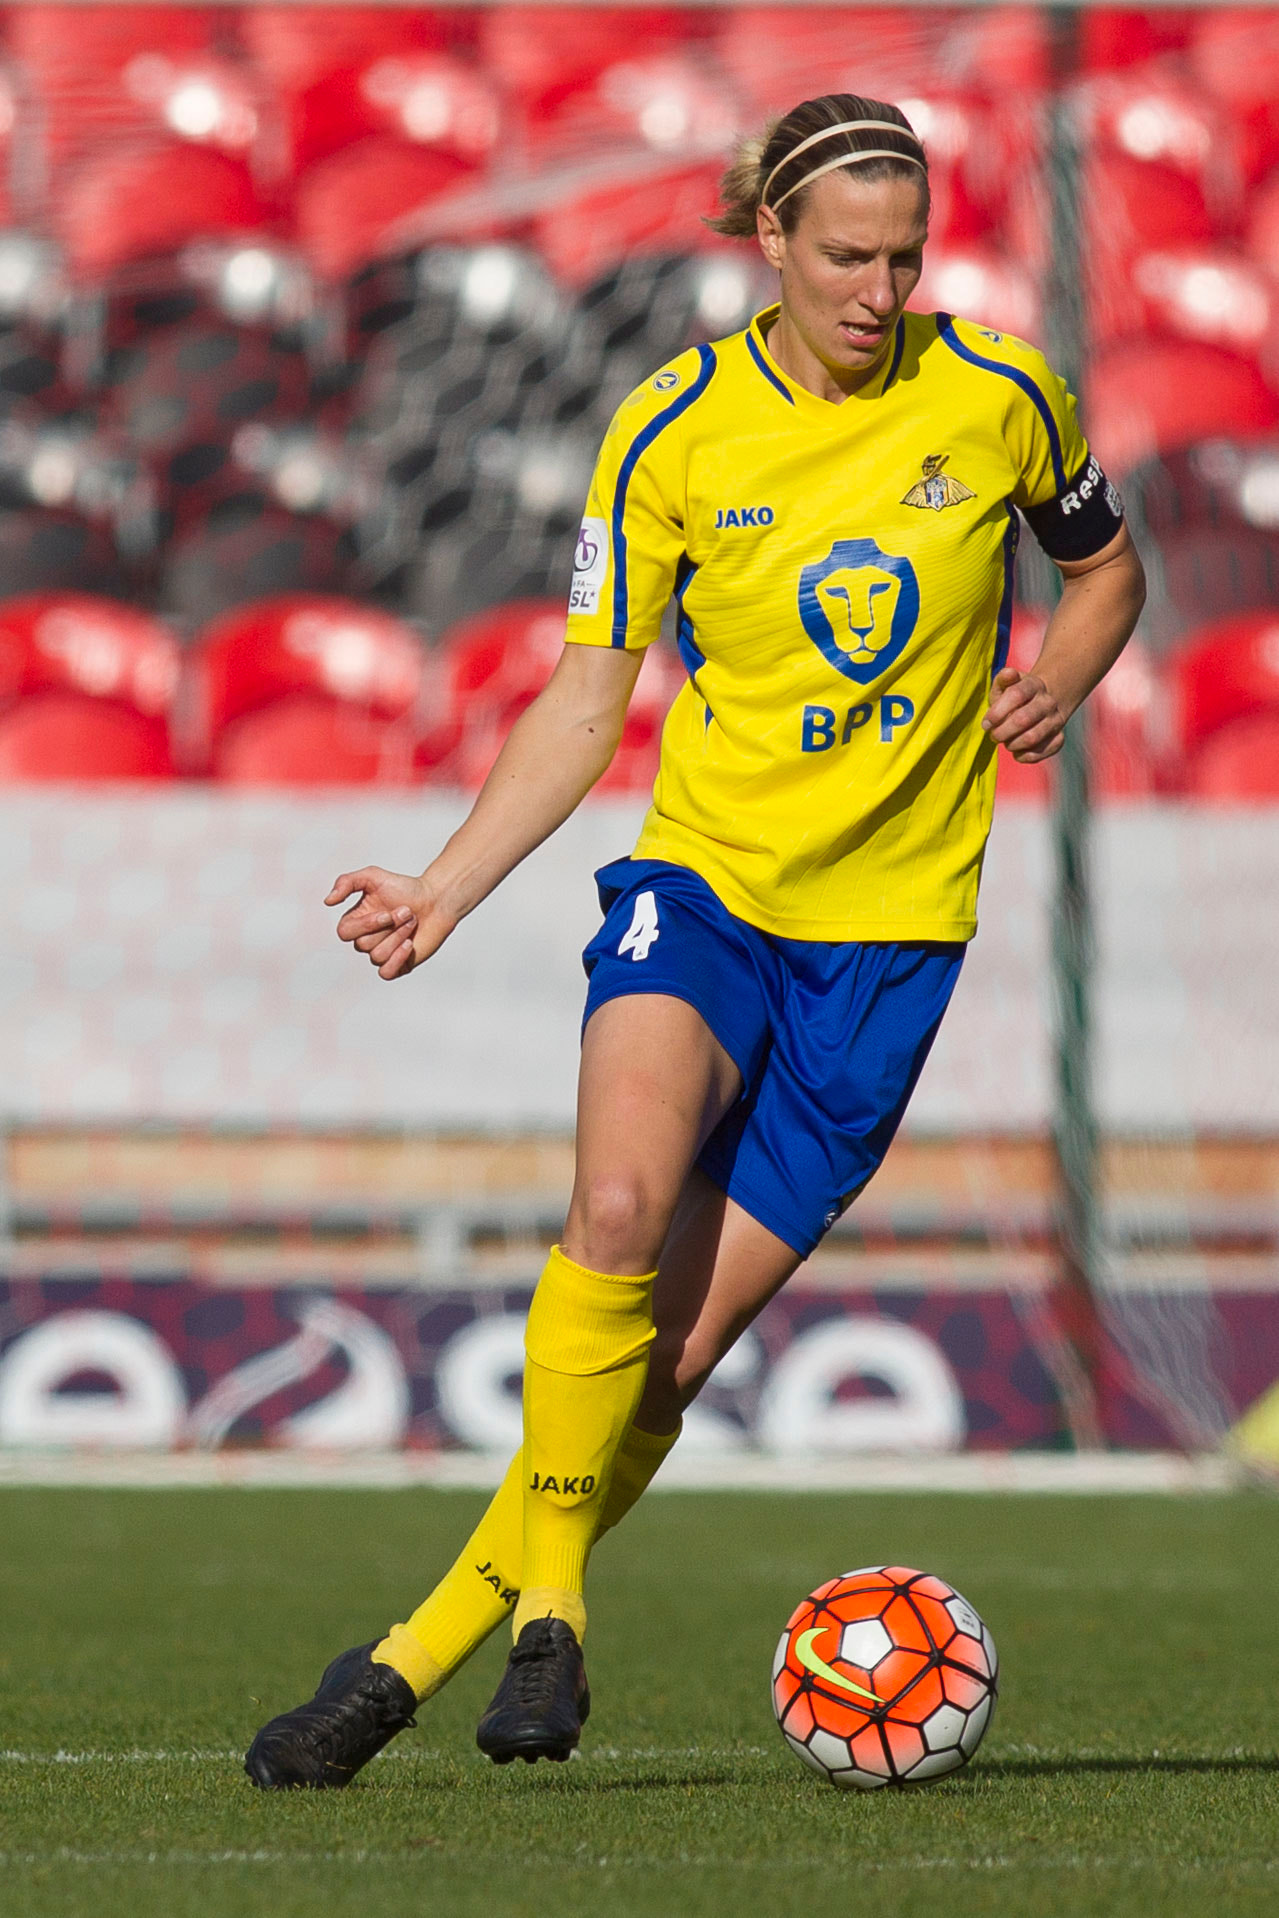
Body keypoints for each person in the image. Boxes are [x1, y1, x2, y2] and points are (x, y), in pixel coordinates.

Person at [245, 91, 1145, 1788]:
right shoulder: (670, 435)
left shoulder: (1006, 397)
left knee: (667, 1354)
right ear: (771, 247)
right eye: (848, 259)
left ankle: (396, 1661)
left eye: (906, 257)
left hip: (889, 947)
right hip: (708, 890)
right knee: (610, 1205)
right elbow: (591, 696)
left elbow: (1106, 569)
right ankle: (555, 1611)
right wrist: (445, 885)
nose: (881, 292)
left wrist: (1072, 661)